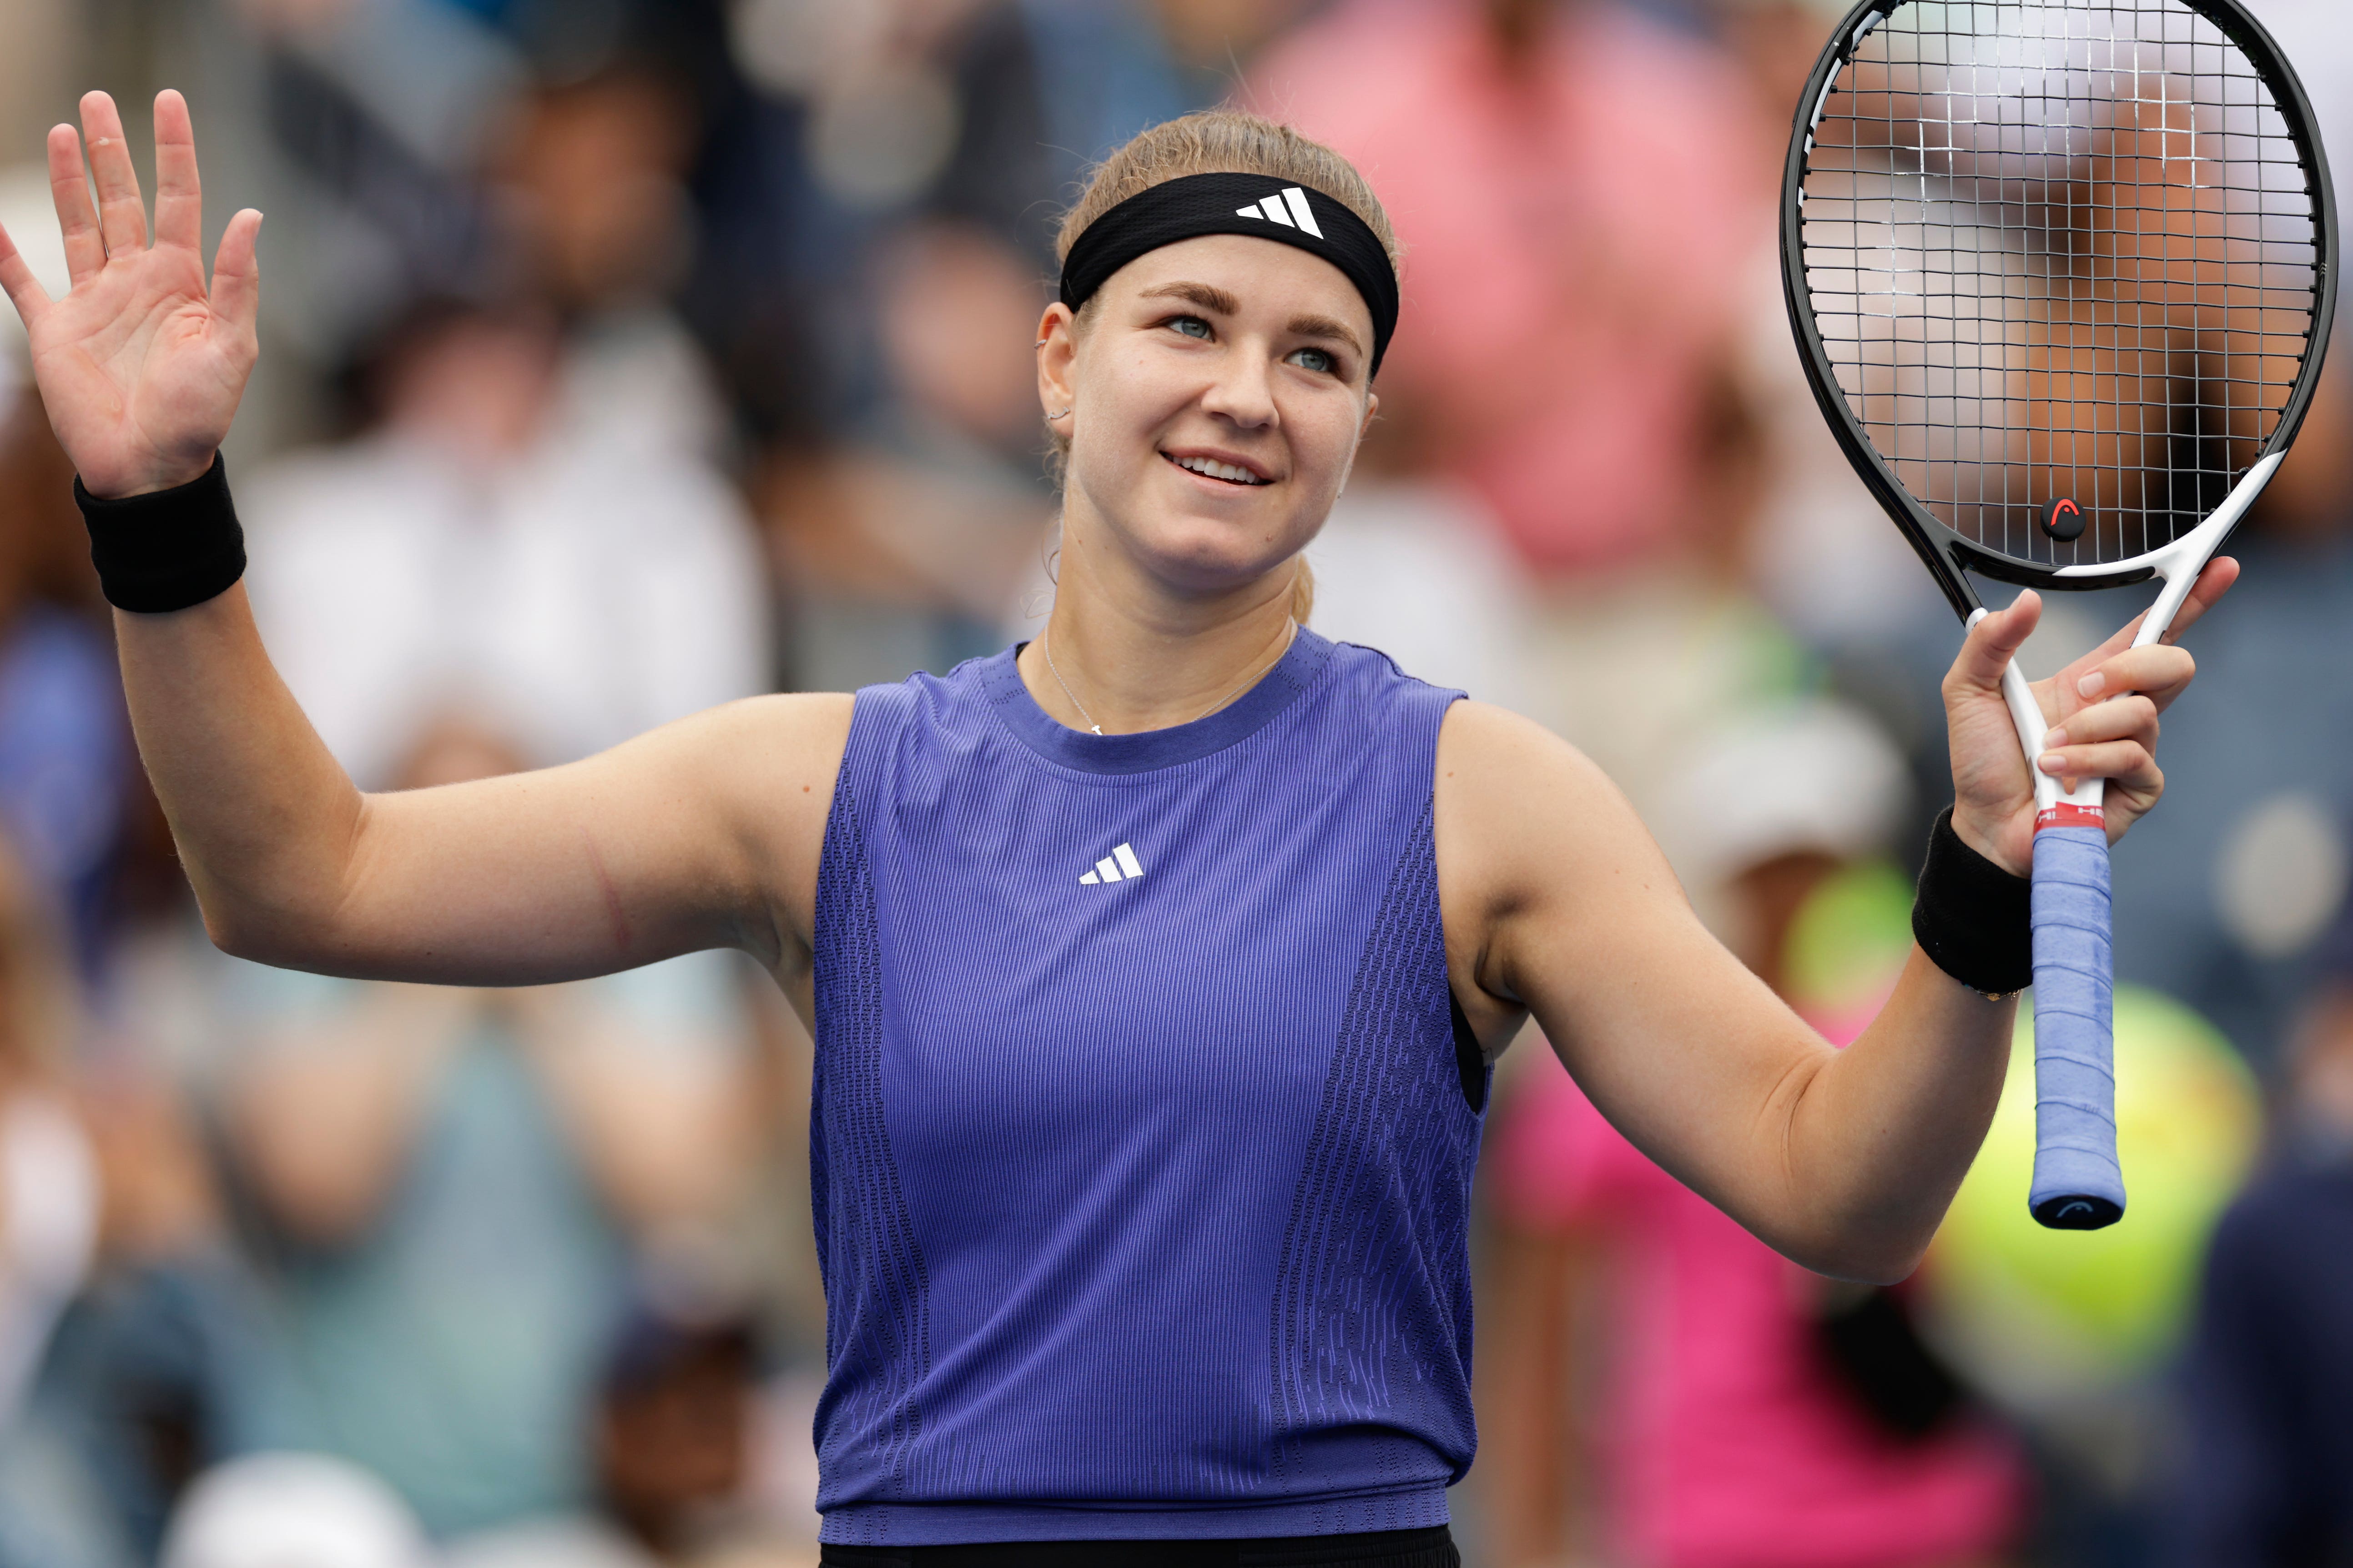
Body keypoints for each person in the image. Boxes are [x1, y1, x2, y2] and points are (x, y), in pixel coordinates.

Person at [0, 93, 2225, 1564]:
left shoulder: (1483, 794)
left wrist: (1976, 891)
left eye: (1319, 352)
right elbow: (299, 875)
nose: (1248, 392)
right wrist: (157, 500)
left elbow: (1839, 1188)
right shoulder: (815, 785)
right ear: (1059, 363)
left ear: (1362, 419)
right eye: (1192, 320)